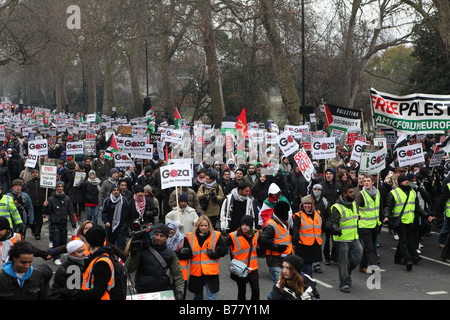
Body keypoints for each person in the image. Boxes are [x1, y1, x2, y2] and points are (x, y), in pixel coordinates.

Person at [384, 174, 435, 271]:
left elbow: (417, 208)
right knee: (404, 240)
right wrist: (386, 216)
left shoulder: (413, 192)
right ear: (400, 182)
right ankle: (408, 260)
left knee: (409, 239)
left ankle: (398, 258)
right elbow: (388, 207)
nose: (407, 182)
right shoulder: (394, 193)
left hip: (410, 220)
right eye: (404, 180)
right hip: (400, 221)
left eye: (407, 180)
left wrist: (426, 216)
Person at [125, 223, 185, 299]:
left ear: (167, 237)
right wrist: (133, 255)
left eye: (161, 236)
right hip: (143, 293)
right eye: (156, 235)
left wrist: (179, 292)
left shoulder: (170, 254)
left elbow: (177, 275)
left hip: (162, 293)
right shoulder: (142, 250)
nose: (158, 238)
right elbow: (128, 269)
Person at [327, 185, 362, 293]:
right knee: (343, 262)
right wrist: (335, 228)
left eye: (353, 192)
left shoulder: (353, 204)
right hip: (342, 239)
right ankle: (344, 283)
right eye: (351, 192)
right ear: (344, 194)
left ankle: (347, 272)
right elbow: (333, 222)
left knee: (358, 256)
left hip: (354, 236)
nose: (353, 194)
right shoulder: (337, 207)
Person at [185, 215, 227, 300]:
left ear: (209, 226)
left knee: (211, 297)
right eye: (202, 225)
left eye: (206, 225)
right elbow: (186, 252)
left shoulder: (215, 235)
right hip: (196, 271)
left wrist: (215, 254)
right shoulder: (190, 237)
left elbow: (224, 249)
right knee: (198, 297)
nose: (204, 228)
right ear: (197, 226)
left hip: (210, 272)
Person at [258, 201, 293, 299]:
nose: (287, 214)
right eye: (286, 212)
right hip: (275, 260)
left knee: (280, 285)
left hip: (285, 259)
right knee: (281, 285)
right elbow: (263, 241)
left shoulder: (283, 223)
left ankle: (271, 298)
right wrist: (277, 247)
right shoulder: (271, 225)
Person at [226, 215, 260, 300]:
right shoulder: (233, 236)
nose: (244, 227)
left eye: (247, 225)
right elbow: (223, 245)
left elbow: (263, 243)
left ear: (251, 226)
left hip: (253, 267)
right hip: (240, 268)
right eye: (243, 225)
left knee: (256, 290)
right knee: (242, 291)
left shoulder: (255, 234)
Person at [44, 181, 77, 266]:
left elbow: (70, 211)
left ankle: (61, 251)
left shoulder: (67, 198)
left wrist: (73, 223)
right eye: (58, 186)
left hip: (63, 223)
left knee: (63, 240)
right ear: (56, 188)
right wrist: (46, 206)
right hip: (54, 223)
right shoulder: (51, 199)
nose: (60, 188)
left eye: (61, 186)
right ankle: (56, 257)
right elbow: (48, 212)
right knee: (56, 240)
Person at [356, 175, 384, 273]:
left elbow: (380, 207)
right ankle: (374, 266)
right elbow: (356, 204)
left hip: (374, 224)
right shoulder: (361, 194)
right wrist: (357, 213)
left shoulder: (378, 193)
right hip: (364, 225)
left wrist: (382, 219)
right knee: (369, 247)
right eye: (364, 181)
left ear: (373, 182)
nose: (366, 182)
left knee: (370, 246)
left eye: (368, 181)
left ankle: (363, 266)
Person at [292, 195, 323, 278]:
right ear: (302, 205)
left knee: (306, 267)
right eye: (305, 204)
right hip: (303, 246)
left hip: (314, 245)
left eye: (309, 204)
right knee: (307, 268)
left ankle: (302, 284)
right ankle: (309, 285)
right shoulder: (299, 215)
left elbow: (321, 227)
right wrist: (295, 236)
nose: (307, 206)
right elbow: (295, 227)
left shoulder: (318, 214)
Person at [101, 184, 129, 251]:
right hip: (110, 226)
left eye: (117, 190)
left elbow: (127, 213)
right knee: (110, 245)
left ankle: (122, 260)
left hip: (121, 226)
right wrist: (106, 221)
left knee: (121, 245)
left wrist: (125, 225)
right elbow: (104, 213)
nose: (116, 192)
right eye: (114, 190)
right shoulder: (107, 201)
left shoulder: (124, 201)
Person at [26, 169, 46, 240]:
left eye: (37, 172)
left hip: (40, 204)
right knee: (31, 220)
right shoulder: (28, 183)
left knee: (39, 220)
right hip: (32, 204)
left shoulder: (43, 182)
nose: (35, 174)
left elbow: (47, 192)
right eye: (33, 173)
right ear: (31, 174)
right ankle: (33, 230)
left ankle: (38, 233)